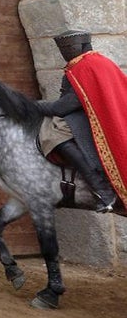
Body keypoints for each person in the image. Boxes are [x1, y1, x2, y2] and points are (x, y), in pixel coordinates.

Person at [36, 30, 124, 212]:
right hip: (99, 117)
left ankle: (102, 190)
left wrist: (29, 105)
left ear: (75, 46)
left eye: (65, 48)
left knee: (53, 132)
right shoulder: (98, 61)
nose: (63, 53)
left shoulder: (84, 69)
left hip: (95, 121)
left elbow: (61, 108)